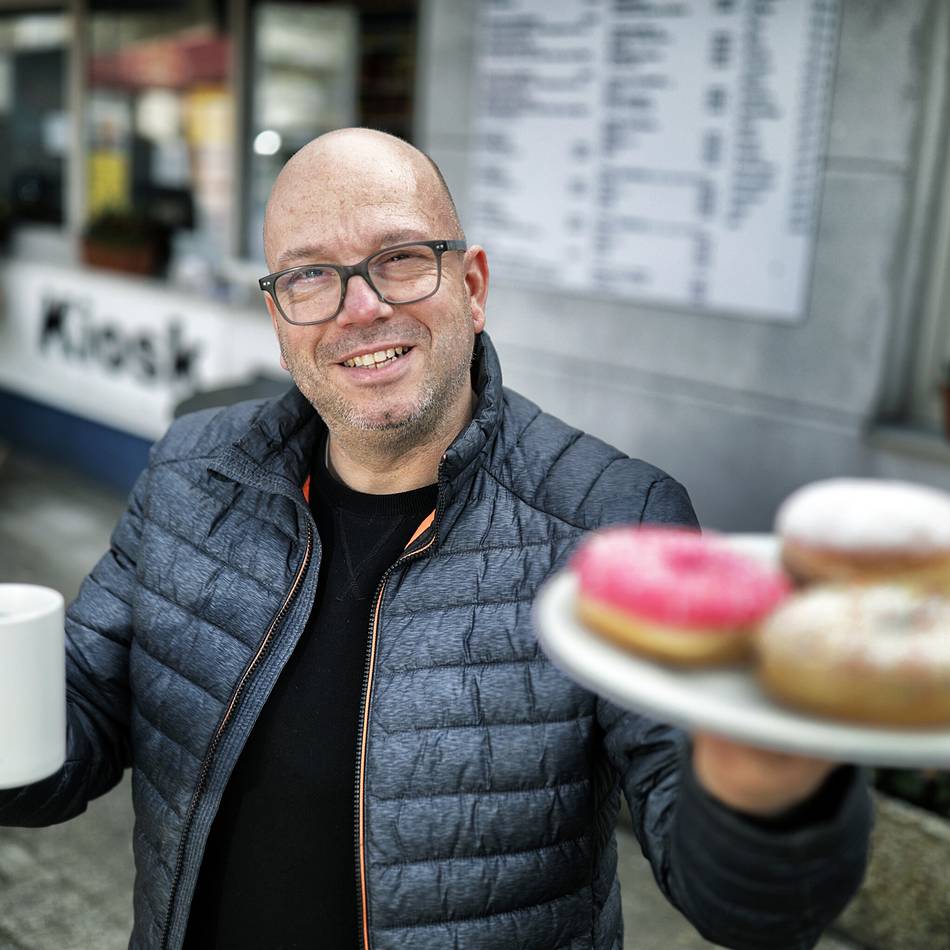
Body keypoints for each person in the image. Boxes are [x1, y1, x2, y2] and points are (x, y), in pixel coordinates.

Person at [0, 128, 870, 950]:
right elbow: (62, 748)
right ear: (279, 319)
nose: (360, 308)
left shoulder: (613, 521)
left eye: (401, 259)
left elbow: (746, 907)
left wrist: (771, 788)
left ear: (474, 287)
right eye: (309, 277)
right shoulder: (192, 474)